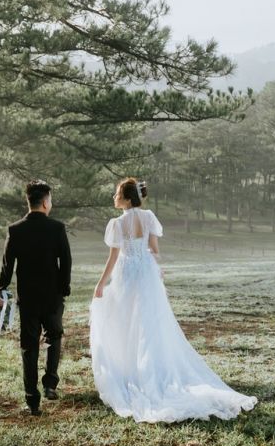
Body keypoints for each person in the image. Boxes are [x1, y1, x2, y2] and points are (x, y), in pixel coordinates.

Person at [90, 177, 257, 422]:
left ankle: (132, 372)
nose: (114, 197)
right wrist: (154, 268)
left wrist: (100, 283)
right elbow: (154, 250)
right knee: (150, 325)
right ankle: (150, 369)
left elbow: (113, 258)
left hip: (126, 275)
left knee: (125, 322)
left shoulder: (117, 224)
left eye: (117, 194)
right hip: (146, 274)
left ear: (126, 198)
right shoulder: (148, 217)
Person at [0, 180, 72, 416]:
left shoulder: (15, 230)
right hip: (52, 295)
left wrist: (0, 289)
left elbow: (7, 265)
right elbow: (66, 260)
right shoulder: (57, 228)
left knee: (29, 345)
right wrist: (64, 287)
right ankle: (50, 383)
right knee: (53, 336)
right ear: (46, 202)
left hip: (27, 297)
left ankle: (32, 399)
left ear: (28, 201)